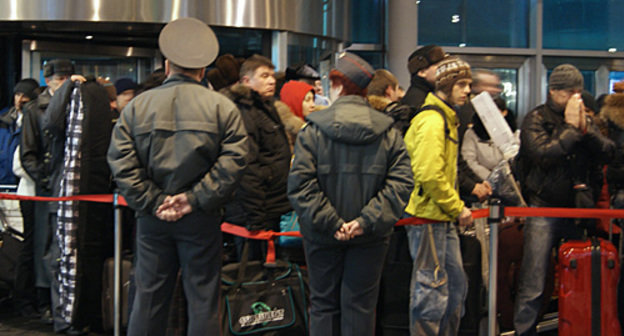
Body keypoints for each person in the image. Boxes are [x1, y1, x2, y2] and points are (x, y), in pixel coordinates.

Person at [107, 17, 249, 336]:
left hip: (152, 218)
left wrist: (154, 201)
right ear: (202, 69)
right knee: (203, 300)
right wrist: (194, 199)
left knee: (148, 299)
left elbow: (120, 160)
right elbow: (235, 160)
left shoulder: (137, 107)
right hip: (202, 216)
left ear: (167, 64)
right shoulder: (222, 108)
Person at [287, 51, 414, 336]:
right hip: (370, 236)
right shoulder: (388, 133)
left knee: (322, 305)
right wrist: (365, 221)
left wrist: (332, 222)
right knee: (360, 306)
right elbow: (402, 183)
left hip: (321, 234)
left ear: (337, 86)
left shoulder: (312, 132)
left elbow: (300, 185)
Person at [513, 64, 615, 336]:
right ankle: (525, 331)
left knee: (580, 274)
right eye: (569, 92)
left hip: (580, 207)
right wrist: (571, 129)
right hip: (543, 208)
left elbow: (608, 152)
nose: (575, 98)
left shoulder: (585, 120)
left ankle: (579, 326)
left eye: (579, 92)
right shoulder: (535, 118)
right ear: (553, 91)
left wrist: (586, 131)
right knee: (534, 279)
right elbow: (543, 155)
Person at [403, 56, 474, 335]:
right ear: (446, 85)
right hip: (427, 216)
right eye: (462, 84)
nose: (467, 90)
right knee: (431, 291)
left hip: (440, 216)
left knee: (454, 287)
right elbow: (430, 175)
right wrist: (457, 208)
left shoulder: (444, 118)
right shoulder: (433, 121)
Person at [221, 54, 292, 261]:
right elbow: (247, 167)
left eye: (272, 75)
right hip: (253, 212)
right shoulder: (244, 111)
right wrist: (255, 218)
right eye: (263, 76)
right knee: (252, 274)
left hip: (270, 206)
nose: (271, 81)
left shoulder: (266, 107)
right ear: (246, 81)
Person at [20, 59, 74, 327]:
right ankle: (45, 302)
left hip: (71, 187)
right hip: (49, 188)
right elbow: (28, 153)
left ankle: (61, 303)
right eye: (59, 78)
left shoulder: (76, 105)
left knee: (63, 246)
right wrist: (45, 179)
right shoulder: (35, 109)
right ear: (49, 80)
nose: (62, 82)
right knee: (45, 246)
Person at [401, 45, 491, 204]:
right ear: (421, 72)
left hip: (435, 202)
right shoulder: (425, 110)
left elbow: (452, 158)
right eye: (439, 67)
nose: (467, 91)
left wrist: (474, 183)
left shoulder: (442, 108)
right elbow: (431, 172)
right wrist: (462, 198)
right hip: (428, 205)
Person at [1, 78, 39, 317]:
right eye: (17, 95)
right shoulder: (5, 121)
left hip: (19, 190)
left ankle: (20, 295)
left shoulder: (27, 120)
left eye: (24, 96)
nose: (20, 99)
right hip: (9, 187)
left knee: (21, 245)